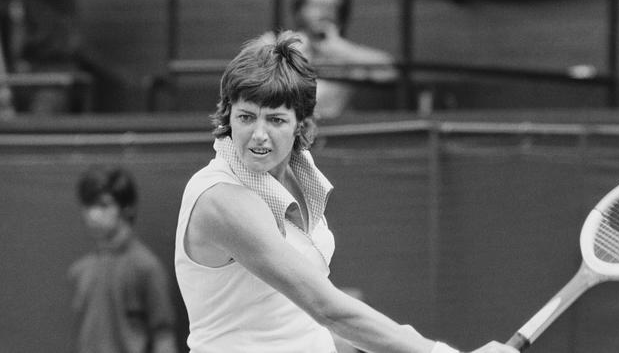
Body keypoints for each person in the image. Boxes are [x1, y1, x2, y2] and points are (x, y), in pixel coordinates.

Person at [174, 30, 517, 353]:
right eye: (246, 117)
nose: (258, 134)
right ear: (228, 116)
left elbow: (299, 320)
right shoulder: (220, 199)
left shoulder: (296, 176)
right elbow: (327, 308)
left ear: (302, 126)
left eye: (275, 120)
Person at [68, 165, 178, 353]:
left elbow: (163, 336)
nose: (93, 214)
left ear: (126, 207)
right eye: (89, 205)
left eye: (104, 205)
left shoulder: (146, 267)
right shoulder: (80, 271)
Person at [291, 0, 398, 119]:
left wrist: (340, 49)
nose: (324, 12)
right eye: (316, 4)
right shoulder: (282, 45)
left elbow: (389, 72)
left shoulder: (343, 54)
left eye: (332, 6)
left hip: (333, 130)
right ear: (301, 10)